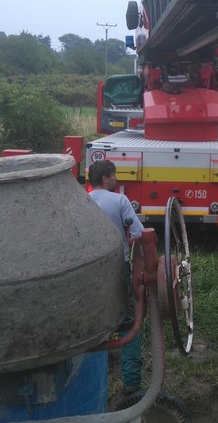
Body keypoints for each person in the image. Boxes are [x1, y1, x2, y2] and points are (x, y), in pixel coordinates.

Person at [88, 159, 145, 391]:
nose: (116, 179)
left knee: (93, 318)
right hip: (116, 266)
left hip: (89, 269)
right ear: (105, 179)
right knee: (128, 321)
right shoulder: (119, 200)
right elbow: (140, 233)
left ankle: (94, 376)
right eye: (114, 175)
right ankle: (131, 384)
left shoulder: (82, 200)